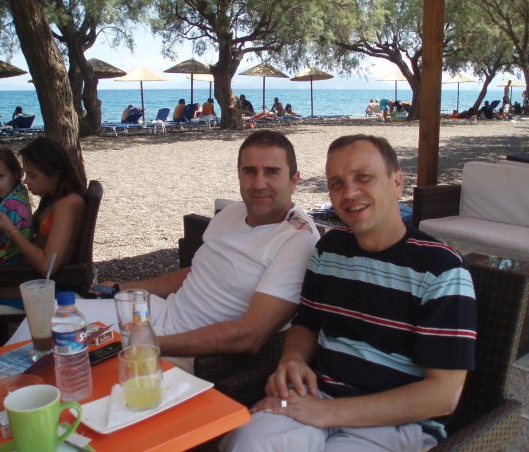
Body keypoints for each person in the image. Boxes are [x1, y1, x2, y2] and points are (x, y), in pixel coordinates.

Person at [221, 134, 477, 451]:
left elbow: (443, 395)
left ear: (397, 183)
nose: (349, 193)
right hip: (316, 398)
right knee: (246, 441)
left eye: (363, 178)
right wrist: (293, 359)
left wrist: (328, 412)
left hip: (395, 424)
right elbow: (306, 324)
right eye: (337, 183)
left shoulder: (440, 269)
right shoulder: (329, 249)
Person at [96, 130, 320, 373]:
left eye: (272, 172)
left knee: (94, 374)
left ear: (294, 180)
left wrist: (148, 344)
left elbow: (251, 335)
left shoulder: (297, 238)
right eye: (249, 171)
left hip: (186, 351)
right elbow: (195, 273)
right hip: (158, 314)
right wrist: (123, 288)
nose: (258, 184)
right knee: (70, 325)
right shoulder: (231, 213)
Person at [0, 137, 87, 280]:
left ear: (55, 175)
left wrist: (9, 229)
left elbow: (47, 267)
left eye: (32, 175)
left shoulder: (68, 204)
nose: (26, 181)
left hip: (41, 284)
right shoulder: (52, 198)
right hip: (26, 275)